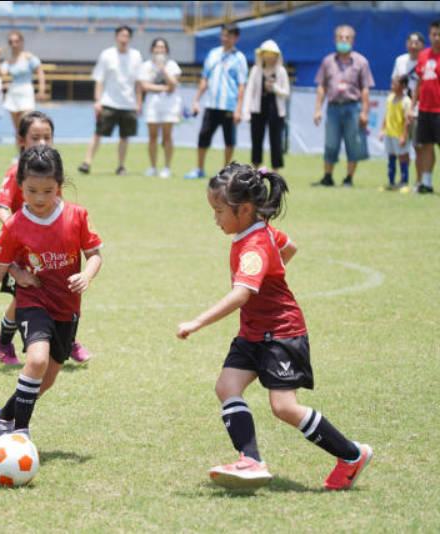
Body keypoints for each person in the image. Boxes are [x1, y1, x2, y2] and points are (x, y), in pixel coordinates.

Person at [176, 163, 373, 491]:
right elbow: (290, 248)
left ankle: (352, 455)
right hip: (254, 332)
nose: (215, 219)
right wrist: (273, 269)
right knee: (227, 387)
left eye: (219, 211)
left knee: (283, 407)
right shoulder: (257, 230)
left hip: (281, 334)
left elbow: (242, 294)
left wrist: (197, 322)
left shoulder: (254, 246)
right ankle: (251, 461)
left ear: (246, 209)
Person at [0, 145, 103, 439]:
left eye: (48, 191)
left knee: (48, 377)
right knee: (37, 361)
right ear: (20, 186)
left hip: (67, 307)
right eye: (31, 191)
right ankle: (20, 433)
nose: (39, 199)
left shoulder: (77, 216)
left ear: (60, 186)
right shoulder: (16, 224)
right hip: (33, 300)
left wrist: (87, 274)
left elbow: (94, 254)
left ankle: (2, 418)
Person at [0, 112, 93, 366]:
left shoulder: (51, 167)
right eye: (35, 137)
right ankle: (4, 341)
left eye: (47, 137)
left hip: (49, 245)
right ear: (21, 140)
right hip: (22, 250)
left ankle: (65, 338)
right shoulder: (18, 171)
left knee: (59, 289)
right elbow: (1, 207)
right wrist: (18, 229)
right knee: (25, 297)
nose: (42, 143)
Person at [312, 25, 374, 188]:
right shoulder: (328, 61)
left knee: (353, 143)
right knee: (330, 143)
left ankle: (348, 178)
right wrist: (318, 109)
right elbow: (321, 87)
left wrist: (365, 112)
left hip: (353, 107)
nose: (344, 41)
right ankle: (327, 177)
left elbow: (365, 89)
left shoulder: (361, 62)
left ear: (353, 41)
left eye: (347, 38)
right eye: (341, 37)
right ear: (335, 39)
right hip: (333, 107)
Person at [184, 23, 248, 180]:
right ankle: (199, 169)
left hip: (229, 106)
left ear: (236, 38)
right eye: (223, 35)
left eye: (229, 35)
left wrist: (239, 109)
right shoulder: (213, 54)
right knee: (203, 136)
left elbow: (241, 86)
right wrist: (196, 100)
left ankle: (227, 172)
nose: (225, 38)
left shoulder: (239, 58)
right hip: (211, 104)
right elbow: (204, 79)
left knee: (229, 141)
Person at [78, 25, 143, 176]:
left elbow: (138, 82)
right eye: (121, 36)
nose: (124, 39)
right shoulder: (107, 55)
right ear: (116, 37)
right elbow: (99, 79)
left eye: (127, 36)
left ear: (130, 38)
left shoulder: (136, 56)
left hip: (128, 103)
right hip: (108, 102)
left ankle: (121, 166)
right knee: (98, 133)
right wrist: (97, 101)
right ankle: (87, 162)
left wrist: (139, 102)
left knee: (124, 137)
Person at [242, 39, 290, 172]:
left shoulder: (281, 71)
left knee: (276, 141)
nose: (269, 58)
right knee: (256, 139)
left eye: (272, 54)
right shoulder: (255, 70)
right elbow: (249, 91)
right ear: (261, 55)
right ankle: (255, 169)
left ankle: (276, 171)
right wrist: (245, 111)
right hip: (257, 109)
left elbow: (286, 92)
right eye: (266, 54)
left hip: (276, 110)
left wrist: (274, 88)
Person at [0, 32, 46, 152]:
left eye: (16, 41)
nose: (14, 44)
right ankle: (20, 156)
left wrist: (42, 89)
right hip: (13, 93)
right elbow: (1, 73)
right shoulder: (9, 60)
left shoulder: (28, 57)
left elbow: (40, 71)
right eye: (11, 42)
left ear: (21, 42)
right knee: (18, 130)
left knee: (28, 125)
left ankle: (33, 152)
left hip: (26, 92)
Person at [139, 37, 182, 179]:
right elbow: (144, 86)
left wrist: (163, 69)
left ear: (167, 50)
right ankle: (152, 167)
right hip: (152, 105)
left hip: (169, 105)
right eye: (157, 47)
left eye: (162, 47)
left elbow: (174, 84)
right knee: (152, 137)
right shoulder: (146, 66)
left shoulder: (172, 65)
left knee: (167, 136)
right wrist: (164, 87)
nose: (159, 50)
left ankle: (167, 167)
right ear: (152, 49)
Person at [392, 32, 425, 190]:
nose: (413, 45)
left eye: (417, 43)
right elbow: (395, 82)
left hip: (420, 110)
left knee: (419, 147)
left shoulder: (425, 61)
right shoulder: (400, 61)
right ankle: (403, 180)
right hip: (402, 109)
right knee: (401, 146)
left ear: (422, 45)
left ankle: (420, 182)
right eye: (411, 42)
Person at [413, 19, 440, 194]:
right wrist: (413, 105)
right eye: (434, 34)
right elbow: (419, 83)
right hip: (425, 110)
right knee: (426, 146)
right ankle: (427, 183)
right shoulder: (423, 55)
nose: (437, 37)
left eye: (439, 34)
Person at [378, 76, 411, 191]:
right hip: (389, 134)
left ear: (403, 86)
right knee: (391, 157)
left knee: (402, 158)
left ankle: (404, 183)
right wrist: (382, 130)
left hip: (399, 135)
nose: (392, 86)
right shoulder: (390, 98)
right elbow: (387, 115)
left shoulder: (406, 101)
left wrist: (404, 135)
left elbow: (407, 121)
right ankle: (391, 183)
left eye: (395, 84)